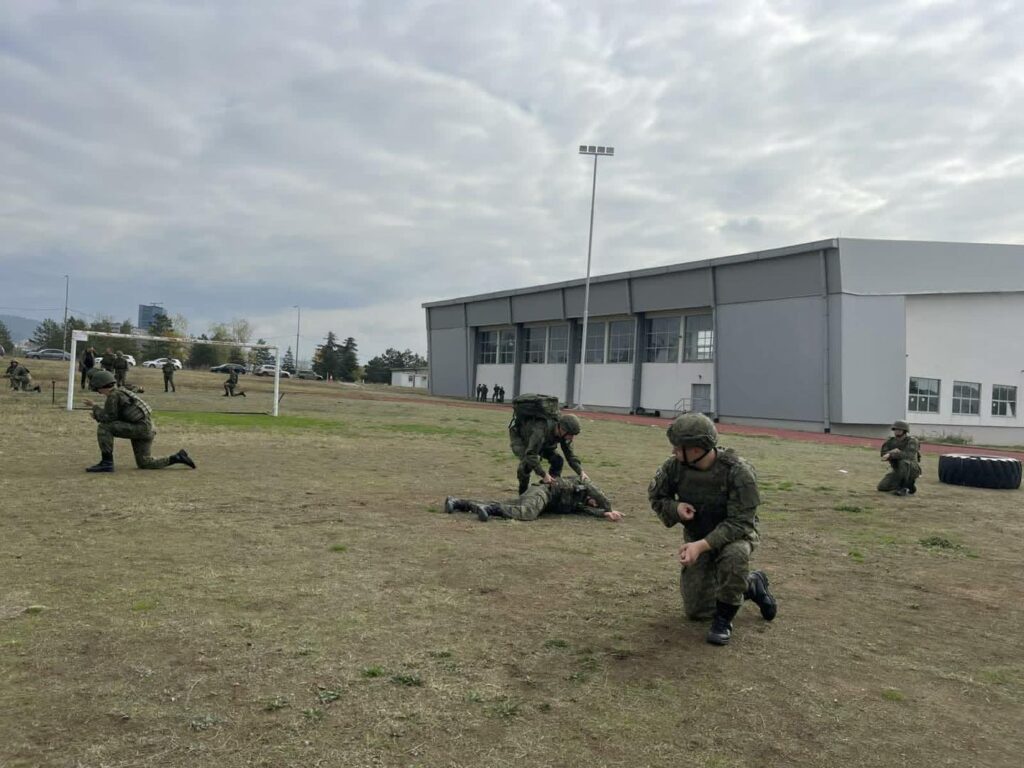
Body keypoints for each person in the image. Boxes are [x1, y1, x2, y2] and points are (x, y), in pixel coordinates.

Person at [648, 413, 777, 646]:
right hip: (698, 537)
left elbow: (741, 523)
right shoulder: (674, 468)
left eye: (678, 448)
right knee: (696, 610)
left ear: (696, 450)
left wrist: (701, 546)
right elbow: (657, 497)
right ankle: (750, 585)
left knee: (734, 556)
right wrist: (676, 508)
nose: (673, 452)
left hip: (735, 537)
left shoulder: (738, 472)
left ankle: (723, 620)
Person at [82, 370, 195, 473]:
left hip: (140, 428)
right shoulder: (121, 391)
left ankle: (106, 463)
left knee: (104, 427)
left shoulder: (113, 396)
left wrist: (95, 408)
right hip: (147, 428)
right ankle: (177, 458)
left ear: (100, 386)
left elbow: (108, 418)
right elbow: (116, 416)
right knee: (144, 463)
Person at [445, 476, 624, 523]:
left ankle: (458, 502)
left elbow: (589, 512)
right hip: (543, 492)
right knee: (528, 513)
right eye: (594, 501)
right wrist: (608, 506)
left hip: (539, 497)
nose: (594, 504)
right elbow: (596, 491)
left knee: (509, 504)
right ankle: (491, 510)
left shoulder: (579, 505)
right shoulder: (582, 486)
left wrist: (604, 514)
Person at [510, 409, 587, 495]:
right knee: (526, 465)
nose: (572, 438)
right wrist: (543, 474)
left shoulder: (563, 434)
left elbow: (570, 455)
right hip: (521, 439)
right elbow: (531, 454)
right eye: (571, 434)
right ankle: (522, 493)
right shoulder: (540, 430)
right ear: (562, 429)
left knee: (558, 460)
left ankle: (551, 488)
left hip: (544, 442)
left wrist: (580, 471)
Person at [878, 419, 921, 496]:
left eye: (899, 429)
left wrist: (891, 455)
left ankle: (904, 488)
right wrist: (892, 452)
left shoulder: (912, 441)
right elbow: (883, 455)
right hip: (897, 470)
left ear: (905, 431)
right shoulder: (890, 441)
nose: (897, 431)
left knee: (904, 462)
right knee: (882, 487)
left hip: (911, 468)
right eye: (895, 429)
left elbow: (908, 455)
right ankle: (909, 486)